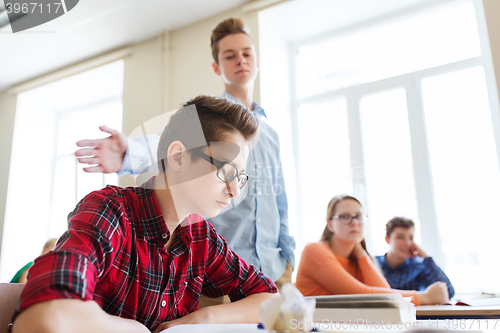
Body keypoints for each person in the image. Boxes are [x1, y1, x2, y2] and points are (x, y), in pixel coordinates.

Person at [12, 95, 277, 333]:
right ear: (178, 157)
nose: (235, 191)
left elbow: (269, 299)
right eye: (227, 172)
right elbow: (44, 317)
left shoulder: (201, 237)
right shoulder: (110, 212)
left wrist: (202, 318)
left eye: (239, 178)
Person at [74, 18, 295, 297]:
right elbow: (176, 147)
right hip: (218, 270)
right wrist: (130, 152)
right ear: (217, 67)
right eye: (230, 55)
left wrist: (288, 255)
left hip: (274, 268)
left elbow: (279, 197)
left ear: (258, 61)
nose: (241, 60)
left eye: (247, 53)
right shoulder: (215, 119)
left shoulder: (271, 133)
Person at [295, 195, 449, 306]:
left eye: (359, 216)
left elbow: (384, 292)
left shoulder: (356, 258)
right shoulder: (314, 250)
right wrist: (425, 297)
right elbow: (360, 295)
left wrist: (361, 255)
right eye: (345, 217)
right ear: (330, 225)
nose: (354, 223)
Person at [375, 216, 455, 299]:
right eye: (400, 237)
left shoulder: (418, 267)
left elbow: (448, 293)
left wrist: (426, 258)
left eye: (411, 238)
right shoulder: (373, 263)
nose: (407, 243)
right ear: (387, 239)